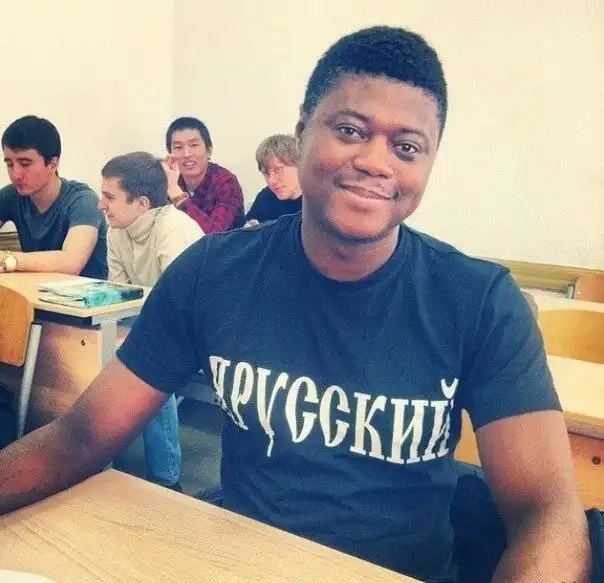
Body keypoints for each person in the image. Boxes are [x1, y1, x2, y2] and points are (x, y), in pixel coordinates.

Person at [0, 27, 591, 583]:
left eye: (407, 146)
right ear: (303, 133)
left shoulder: (481, 302)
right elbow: (82, 435)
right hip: (240, 564)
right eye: (351, 130)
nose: (377, 161)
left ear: (429, 164)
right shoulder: (211, 274)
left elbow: (547, 512)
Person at [98, 151, 203, 490]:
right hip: (154, 322)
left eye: (109, 197)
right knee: (91, 350)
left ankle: (166, 479)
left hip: (195, 328)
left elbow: (179, 307)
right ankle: (98, 462)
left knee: (151, 368)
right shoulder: (117, 229)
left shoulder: (174, 229)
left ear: (141, 203)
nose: (101, 205)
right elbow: (118, 293)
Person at [0, 116, 107, 278]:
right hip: (35, 290)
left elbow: (71, 263)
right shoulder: (11, 195)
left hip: (87, 293)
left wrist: (7, 259)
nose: (16, 175)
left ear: (53, 164)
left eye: (25, 164)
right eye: (9, 164)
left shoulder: (83, 200)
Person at [163, 117, 244, 233]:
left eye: (194, 145)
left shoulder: (226, 181)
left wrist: (176, 194)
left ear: (209, 151)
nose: (187, 154)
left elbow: (214, 236)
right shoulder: (170, 180)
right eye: (178, 147)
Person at [244, 134, 302, 226]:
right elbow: (248, 225)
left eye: (278, 169)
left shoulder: (320, 203)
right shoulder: (265, 198)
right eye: (266, 173)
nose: (271, 181)